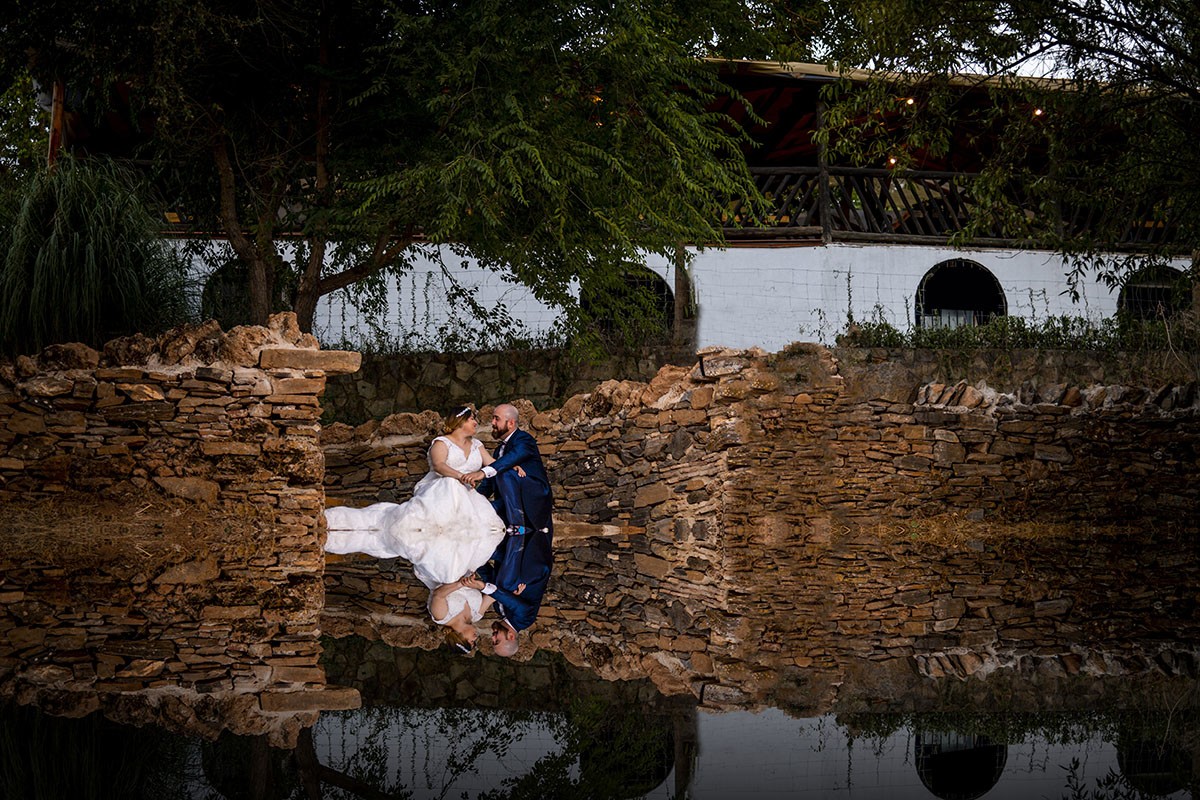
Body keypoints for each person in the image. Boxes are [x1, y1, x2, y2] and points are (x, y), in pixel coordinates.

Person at [324, 405, 506, 650]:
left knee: (466, 540)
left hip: (449, 538)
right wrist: (489, 586)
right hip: (444, 487)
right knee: (451, 490)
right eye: (472, 418)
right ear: (459, 421)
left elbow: (440, 594)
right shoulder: (478, 615)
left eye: (473, 641)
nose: (477, 638)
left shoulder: (441, 616)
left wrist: (501, 470)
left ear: (461, 638)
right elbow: (494, 593)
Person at [463, 403, 554, 657]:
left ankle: (480, 556)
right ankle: (511, 524)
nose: (492, 635)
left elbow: (499, 593)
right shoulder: (524, 620)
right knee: (501, 478)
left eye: (495, 419)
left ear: (510, 423)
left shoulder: (524, 440)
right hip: (531, 565)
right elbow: (509, 598)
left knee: (505, 472)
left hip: (533, 495)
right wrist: (474, 494)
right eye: (496, 639)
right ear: (511, 636)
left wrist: (478, 582)